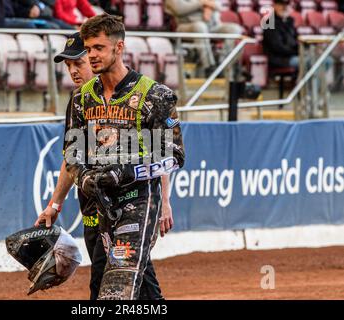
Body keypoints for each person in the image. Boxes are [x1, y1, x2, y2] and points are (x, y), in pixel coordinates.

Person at [35, 32, 174, 300]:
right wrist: (54, 204)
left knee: (107, 277)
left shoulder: (132, 99)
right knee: (131, 277)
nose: (73, 71)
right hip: (91, 204)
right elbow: (71, 157)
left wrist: (163, 201)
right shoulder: (80, 101)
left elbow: (157, 150)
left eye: (79, 62)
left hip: (129, 203)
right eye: (68, 66)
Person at [64, 14, 184, 300]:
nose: (92, 54)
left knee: (116, 288)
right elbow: (72, 153)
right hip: (101, 206)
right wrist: (84, 178)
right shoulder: (82, 98)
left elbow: (175, 155)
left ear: (119, 48)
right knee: (133, 287)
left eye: (99, 48)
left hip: (140, 201)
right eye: (89, 48)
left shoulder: (156, 95)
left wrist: (130, 171)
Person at [165, 0, 242, 76]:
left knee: (235, 29)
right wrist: (202, 3)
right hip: (186, 26)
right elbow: (179, 9)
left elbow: (220, 6)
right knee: (200, 26)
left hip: (213, 26)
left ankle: (223, 65)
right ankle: (209, 66)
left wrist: (208, 7)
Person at [262, 0, 299, 70]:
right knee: (308, 62)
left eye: (287, 4)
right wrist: (296, 52)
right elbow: (277, 47)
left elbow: (295, 41)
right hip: (278, 59)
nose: (285, 7)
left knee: (318, 60)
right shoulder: (270, 23)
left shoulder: (290, 22)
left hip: (291, 56)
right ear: (275, 6)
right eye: (281, 4)